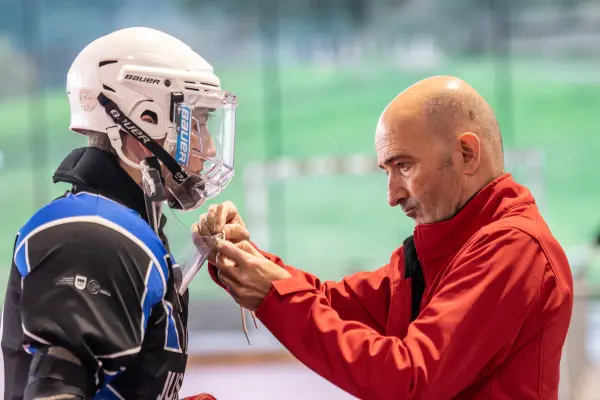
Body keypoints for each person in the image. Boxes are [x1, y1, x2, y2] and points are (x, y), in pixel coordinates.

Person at [196, 76, 574, 399]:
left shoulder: (514, 249)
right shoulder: (442, 249)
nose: (392, 195)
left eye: (403, 166)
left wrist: (274, 295)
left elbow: (409, 379)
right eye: (387, 171)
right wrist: (245, 260)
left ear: (467, 154)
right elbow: (331, 303)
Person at [1, 27, 237, 399]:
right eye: (199, 122)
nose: (207, 145)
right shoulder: (93, 235)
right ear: (146, 119)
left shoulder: (122, 226)